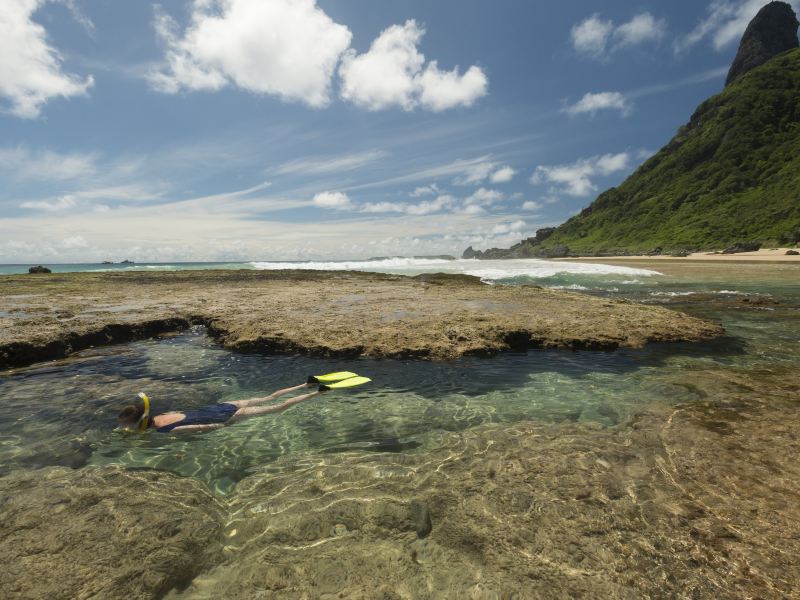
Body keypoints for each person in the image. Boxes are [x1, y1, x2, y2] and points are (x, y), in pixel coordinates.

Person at [116, 381, 324, 433]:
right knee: (268, 397)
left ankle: (318, 392)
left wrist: (228, 425)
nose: (126, 429)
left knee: (279, 408)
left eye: (128, 426)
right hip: (223, 406)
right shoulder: (163, 414)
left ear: (139, 425)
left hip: (229, 416)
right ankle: (306, 384)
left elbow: (207, 428)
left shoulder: (167, 431)